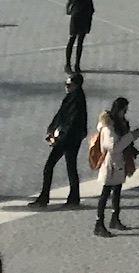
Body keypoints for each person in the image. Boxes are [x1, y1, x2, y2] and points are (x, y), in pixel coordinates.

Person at [31, 70, 88, 208]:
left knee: (49, 166)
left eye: (69, 84)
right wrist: (51, 129)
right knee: (70, 166)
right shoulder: (73, 97)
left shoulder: (76, 101)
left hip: (68, 138)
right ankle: (74, 197)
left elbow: (70, 122)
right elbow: (60, 115)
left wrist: (58, 137)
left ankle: (44, 197)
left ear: (76, 85)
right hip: (72, 137)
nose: (66, 87)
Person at [91, 95, 139, 236]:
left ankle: (115, 218)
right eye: (124, 110)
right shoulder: (108, 127)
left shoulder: (119, 124)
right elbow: (114, 147)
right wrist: (132, 136)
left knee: (117, 190)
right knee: (105, 193)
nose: (125, 113)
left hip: (118, 163)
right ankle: (99, 224)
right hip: (110, 164)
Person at [65, 0, 95, 72]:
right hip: (77, 14)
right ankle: (68, 64)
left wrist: (92, 11)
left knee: (81, 41)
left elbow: (90, 0)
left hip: (85, 14)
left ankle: (77, 64)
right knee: (72, 39)